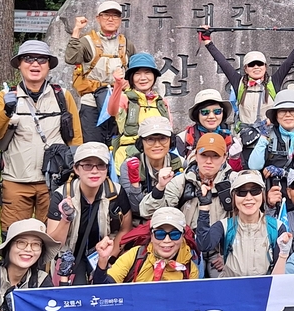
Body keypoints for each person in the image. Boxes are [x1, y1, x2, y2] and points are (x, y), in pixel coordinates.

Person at [0, 40, 82, 236]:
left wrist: (73, 175)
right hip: (16, 180)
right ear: (19, 64)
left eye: (41, 59)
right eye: (28, 59)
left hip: (54, 182)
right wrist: (7, 111)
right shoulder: (5, 96)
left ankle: (45, 269)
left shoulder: (62, 96)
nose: (35, 64)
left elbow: (76, 139)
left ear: (49, 65)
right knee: (14, 237)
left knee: (52, 238)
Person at [45, 142, 133, 286]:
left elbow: (125, 228)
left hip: (106, 252)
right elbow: (54, 244)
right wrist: (66, 219)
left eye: (100, 165)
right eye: (87, 165)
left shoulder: (116, 193)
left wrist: (110, 257)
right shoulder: (61, 195)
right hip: (71, 255)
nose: (94, 171)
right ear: (76, 169)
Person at [198, 25, 294, 127]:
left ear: (265, 67)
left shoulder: (273, 82)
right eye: (251, 65)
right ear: (245, 69)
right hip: (244, 137)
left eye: (260, 64)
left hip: (268, 135)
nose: (256, 67)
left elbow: (289, 61)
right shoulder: (239, 82)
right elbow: (222, 62)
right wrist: (207, 41)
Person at [64, 1, 135, 144]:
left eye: (115, 16)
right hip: (92, 103)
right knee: (93, 148)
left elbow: (135, 70)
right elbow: (71, 58)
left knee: (120, 146)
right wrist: (77, 30)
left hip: (118, 103)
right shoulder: (87, 41)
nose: (111, 19)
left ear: (120, 20)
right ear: (98, 18)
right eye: (106, 15)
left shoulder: (126, 44)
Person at [197, 170, 282, 279]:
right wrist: (204, 206)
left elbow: (280, 273)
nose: (248, 197)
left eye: (255, 191)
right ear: (233, 196)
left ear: (263, 194)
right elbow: (203, 245)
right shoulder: (224, 226)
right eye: (242, 192)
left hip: (263, 290)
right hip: (231, 289)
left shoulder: (276, 227)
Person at [145, 132, 233, 236]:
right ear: (196, 155)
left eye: (215, 156)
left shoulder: (233, 182)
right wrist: (160, 187)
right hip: (185, 244)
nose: (209, 161)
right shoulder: (181, 182)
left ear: (224, 158)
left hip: (222, 248)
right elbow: (149, 213)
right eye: (204, 155)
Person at [93, 208, 198, 283]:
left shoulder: (189, 269)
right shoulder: (135, 255)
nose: (167, 240)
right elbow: (104, 290)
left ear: (183, 236)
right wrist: (103, 259)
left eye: (174, 235)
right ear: (151, 236)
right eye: (160, 234)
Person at [107, 52, 171, 170]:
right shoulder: (125, 98)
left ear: (154, 76)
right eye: (137, 74)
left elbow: (169, 130)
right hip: (130, 156)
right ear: (131, 77)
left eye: (147, 73)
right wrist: (118, 85)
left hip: (158, 157)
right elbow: (112, 111)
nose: (143, 78)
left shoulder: (161, 102)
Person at [248, 89, 294, 185]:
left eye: (293, 111)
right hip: (273, 192)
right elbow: (254, 166)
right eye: (282, 111)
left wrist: (284, 173)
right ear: (276, 115)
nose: (288, 115)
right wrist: (263, 137)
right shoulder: (269, 135)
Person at [118, 116, 184, 214]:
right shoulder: (129, 166)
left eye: (163, 138)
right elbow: (136, 208)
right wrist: (135, 184)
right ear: (141, 143)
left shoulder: (180, 164)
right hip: (141, 223)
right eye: (150, 139)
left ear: (171, 141)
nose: (157, 144)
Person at [176, 88, 240, 167]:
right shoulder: (183, 139)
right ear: (197, 114)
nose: (211, 116)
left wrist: (235, 159)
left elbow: (238, 172)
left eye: (217, 112)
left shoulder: (231, 138)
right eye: (205, 112)